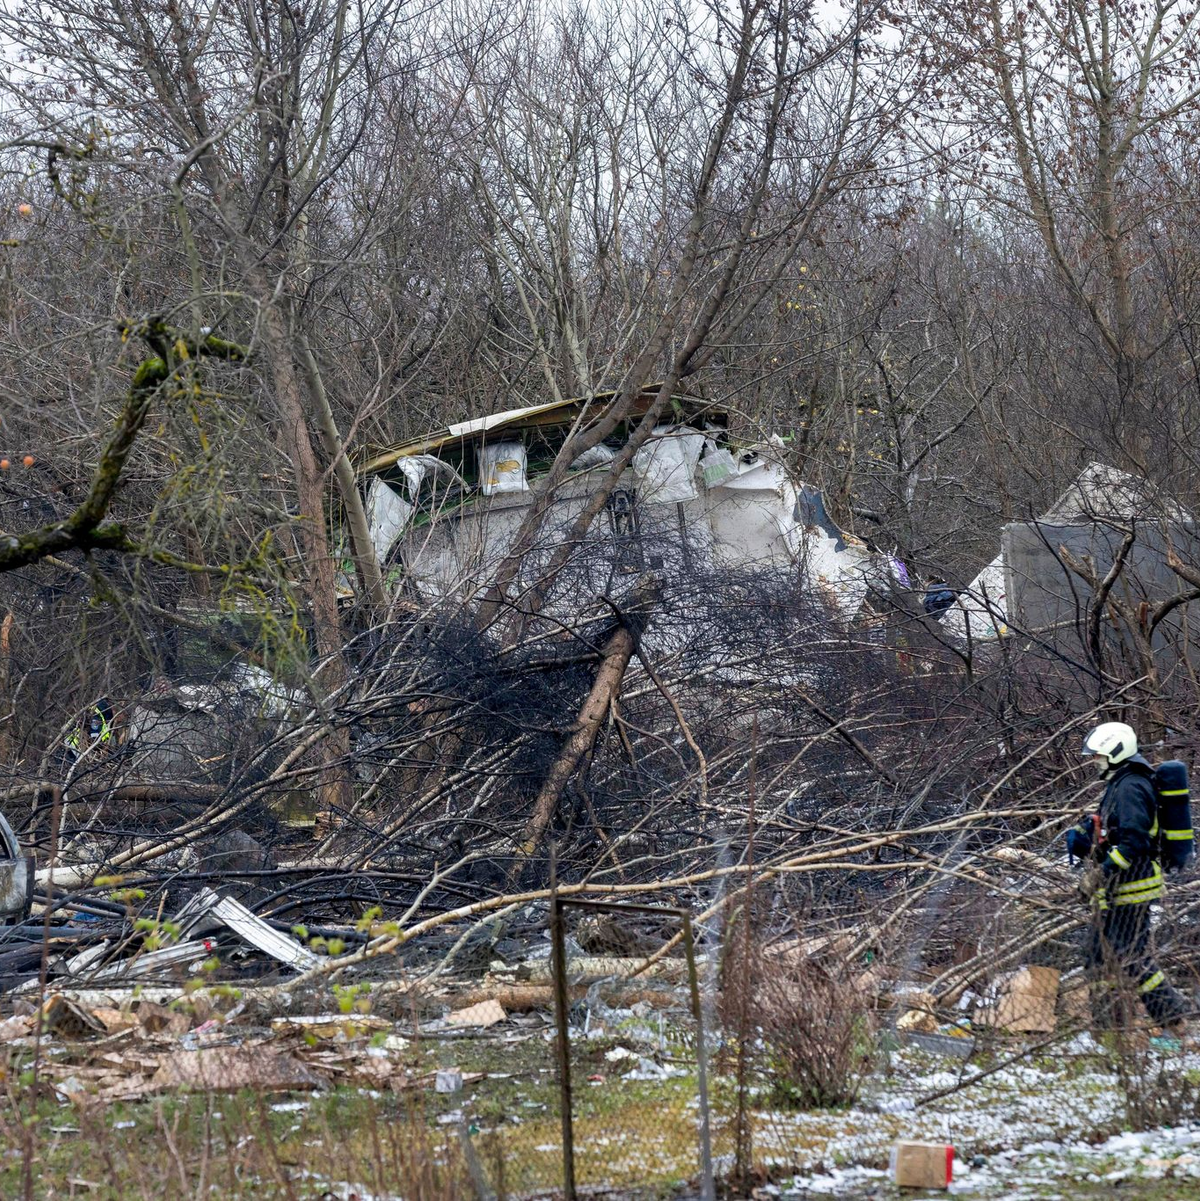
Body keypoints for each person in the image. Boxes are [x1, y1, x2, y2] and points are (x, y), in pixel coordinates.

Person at [1068, 721, 1190, 1036]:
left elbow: (1134, 841)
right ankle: (1109, 1028)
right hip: (1116, 889)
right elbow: (1117, 831)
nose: (1094, 762)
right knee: (1097, 954)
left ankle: (1172, 1017)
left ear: (1114, 751)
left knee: (1131, 955)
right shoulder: (1121, 783)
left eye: (1097, 756)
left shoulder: (1131, 785)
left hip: (1132, 886)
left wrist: (1101, 872)